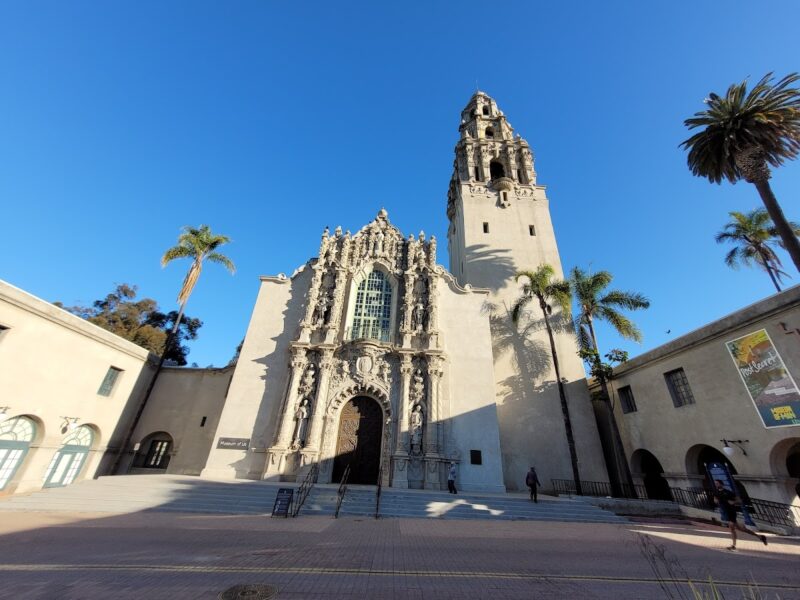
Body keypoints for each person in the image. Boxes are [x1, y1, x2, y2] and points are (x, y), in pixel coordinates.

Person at [712, 479, 767, 550]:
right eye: (715, 483)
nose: (716, 485)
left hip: (731, 511)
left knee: (732, 527)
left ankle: (733, 545)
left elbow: (739, 500)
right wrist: (716, 501)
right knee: (741, 529)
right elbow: (715, 499)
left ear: (721, 484)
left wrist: (733, 502)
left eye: (717, 483)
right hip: (726, 512)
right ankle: (760, 537)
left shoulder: (728, 492)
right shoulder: (716, 492)